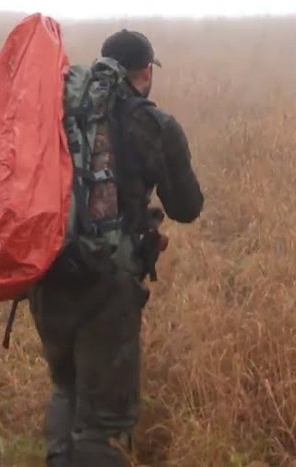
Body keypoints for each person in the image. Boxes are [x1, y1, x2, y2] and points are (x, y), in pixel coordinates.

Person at [28, 30, 205, 466]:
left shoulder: (59, 110)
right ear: (146, 71)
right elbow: (187, 207)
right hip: (106, 285)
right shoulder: (152, 123)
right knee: (104, 420)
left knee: (66, 387)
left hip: (46, 276)